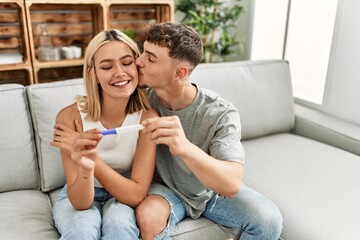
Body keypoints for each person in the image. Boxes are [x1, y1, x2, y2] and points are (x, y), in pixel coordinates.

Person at [134, 22, 283, 240]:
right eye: (142, 52)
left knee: (268, 221)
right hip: (164, 189)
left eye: (151, 57)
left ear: (180, 72)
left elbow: (232, 183)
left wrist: (184, 147)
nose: (138, 62)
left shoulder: (220, 113)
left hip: (211, 192)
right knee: (148, 216)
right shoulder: (141, 101)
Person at [50, 29, 158, 239]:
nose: (119, 72)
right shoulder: (69, 119)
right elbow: (81, 204)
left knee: (119, 226)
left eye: (127, 63)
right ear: (93, 74)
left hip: (123, 194)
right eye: (107, 67)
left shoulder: (147, 119)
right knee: (81, 228)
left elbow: (136, 195)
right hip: (80, 193)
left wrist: (92, 159)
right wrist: (85, 164)